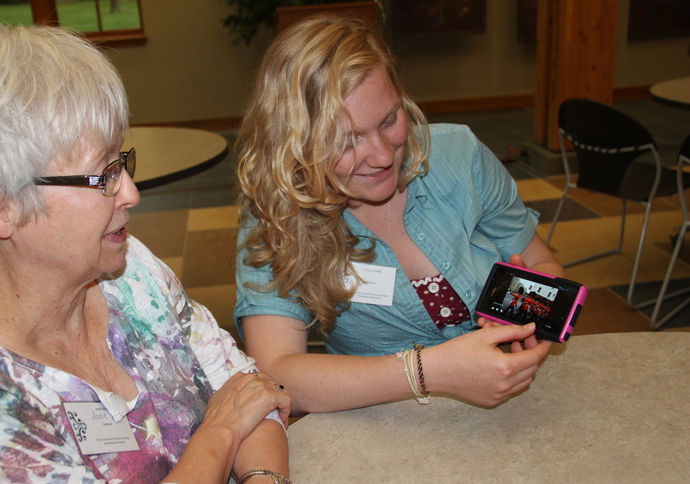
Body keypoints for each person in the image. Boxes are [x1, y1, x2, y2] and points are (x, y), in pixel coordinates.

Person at [0, 20, 294, 484]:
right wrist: (218, 433)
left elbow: (248, 389)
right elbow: (230, 412)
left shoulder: (129, 273)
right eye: (102, 175)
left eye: (120, 163)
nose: (130, 193)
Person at [234, 14, 564, 415]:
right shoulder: (275, 212)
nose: (382, 154)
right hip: (383, 425)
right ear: (295, 145)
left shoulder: (460, 155)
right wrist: (428, 372)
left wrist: (531, 319)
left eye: (389, 120)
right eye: (346, 141)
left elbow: (541, 263)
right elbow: (277, 373)